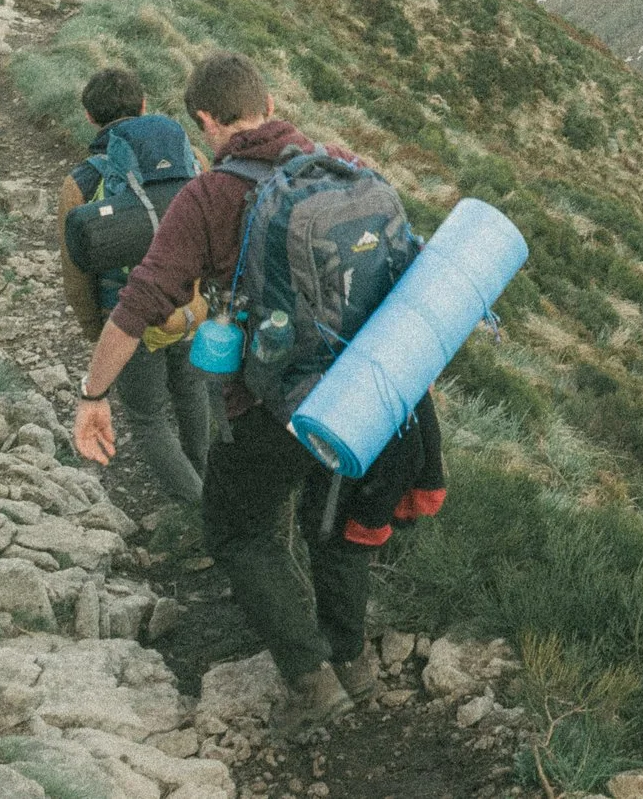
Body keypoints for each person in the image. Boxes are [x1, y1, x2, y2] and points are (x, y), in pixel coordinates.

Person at [72, 51, 445, 744]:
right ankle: (351, 659)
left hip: (275, 402)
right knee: (332, 521)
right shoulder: (341, 164)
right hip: (363, 387)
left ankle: (310, 681)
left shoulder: (210, 196)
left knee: (239, 527)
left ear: (208, 121)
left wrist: (95, 391)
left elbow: (142, 299)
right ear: (270, 101)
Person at [57, 66, 210, 509]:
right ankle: (204, 477)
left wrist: (96, 330)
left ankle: (199, 509)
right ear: (143, 107)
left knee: (146, 417)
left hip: (128, 315)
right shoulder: (189, 158)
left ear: (89, 118)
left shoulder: (81, 182)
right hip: (188, 302)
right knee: (191, 388)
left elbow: (76, 271)